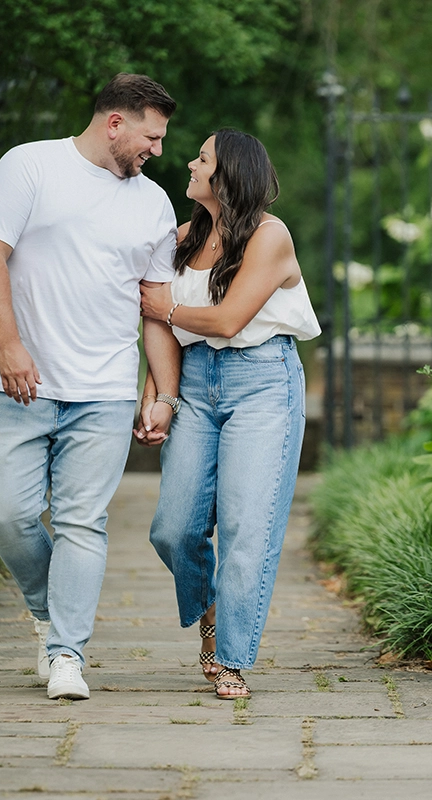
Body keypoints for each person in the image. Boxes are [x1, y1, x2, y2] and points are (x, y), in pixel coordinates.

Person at [0, 73, 182, 701]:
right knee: (5, 513)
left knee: (81, 522)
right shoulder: (29, 166)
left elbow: (156, 308)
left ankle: (67, 654)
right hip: (21, 382)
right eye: (151, 136)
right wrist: (9, 344)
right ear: (115, 123)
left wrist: (161, 392)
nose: (158, 150)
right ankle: (47, 612)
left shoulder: (154, 203)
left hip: (105, 390)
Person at [136, 128, 320, 699]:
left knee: (246, 526)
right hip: (194, 381)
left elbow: (227, 320)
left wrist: (166, 306)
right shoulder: (183, 237)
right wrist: (158, 392)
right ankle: (212, 609)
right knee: (174, 528)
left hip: (263, 382)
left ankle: (232, 658)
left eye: (202, 158)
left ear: (228, 175)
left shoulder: (270, 237)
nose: (190, 164)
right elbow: (157, 323)